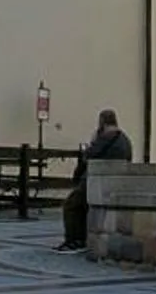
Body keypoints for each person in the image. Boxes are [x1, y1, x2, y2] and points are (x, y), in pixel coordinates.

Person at [57, 108, 134, 252]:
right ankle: (82, 239)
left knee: (71, 205)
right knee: (83, 206)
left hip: (96, 180)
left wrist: (92, 142)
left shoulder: (105, 137)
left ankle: (74, 240)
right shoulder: (125, 139)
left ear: (102, 122)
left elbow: (88, 157)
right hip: (117, 183)